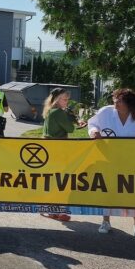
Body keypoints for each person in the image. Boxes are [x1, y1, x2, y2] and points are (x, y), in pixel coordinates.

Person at [88, 88, 135, 237]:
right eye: (115, 98)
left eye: (120, 100)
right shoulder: (105, 112)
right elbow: (92, 124)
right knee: (107, 190)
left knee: (133, 191)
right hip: (108, 158)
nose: (115, 102)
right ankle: (106, 221)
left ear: (130, 103)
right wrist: (94, 132)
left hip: (132, 161)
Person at [40, 87, 87, 222]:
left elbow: (69, 119)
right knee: (60, 181)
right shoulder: (59, 113)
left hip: (50, 149)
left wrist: (74, 119)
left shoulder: (51, 110)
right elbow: (70, 128)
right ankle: (57, 211)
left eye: (67, 99)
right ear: (56, 99)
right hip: (58, 149)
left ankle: (50, 209)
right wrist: (76, 122)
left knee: (53, 180)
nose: (67, 101)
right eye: (64, 99)